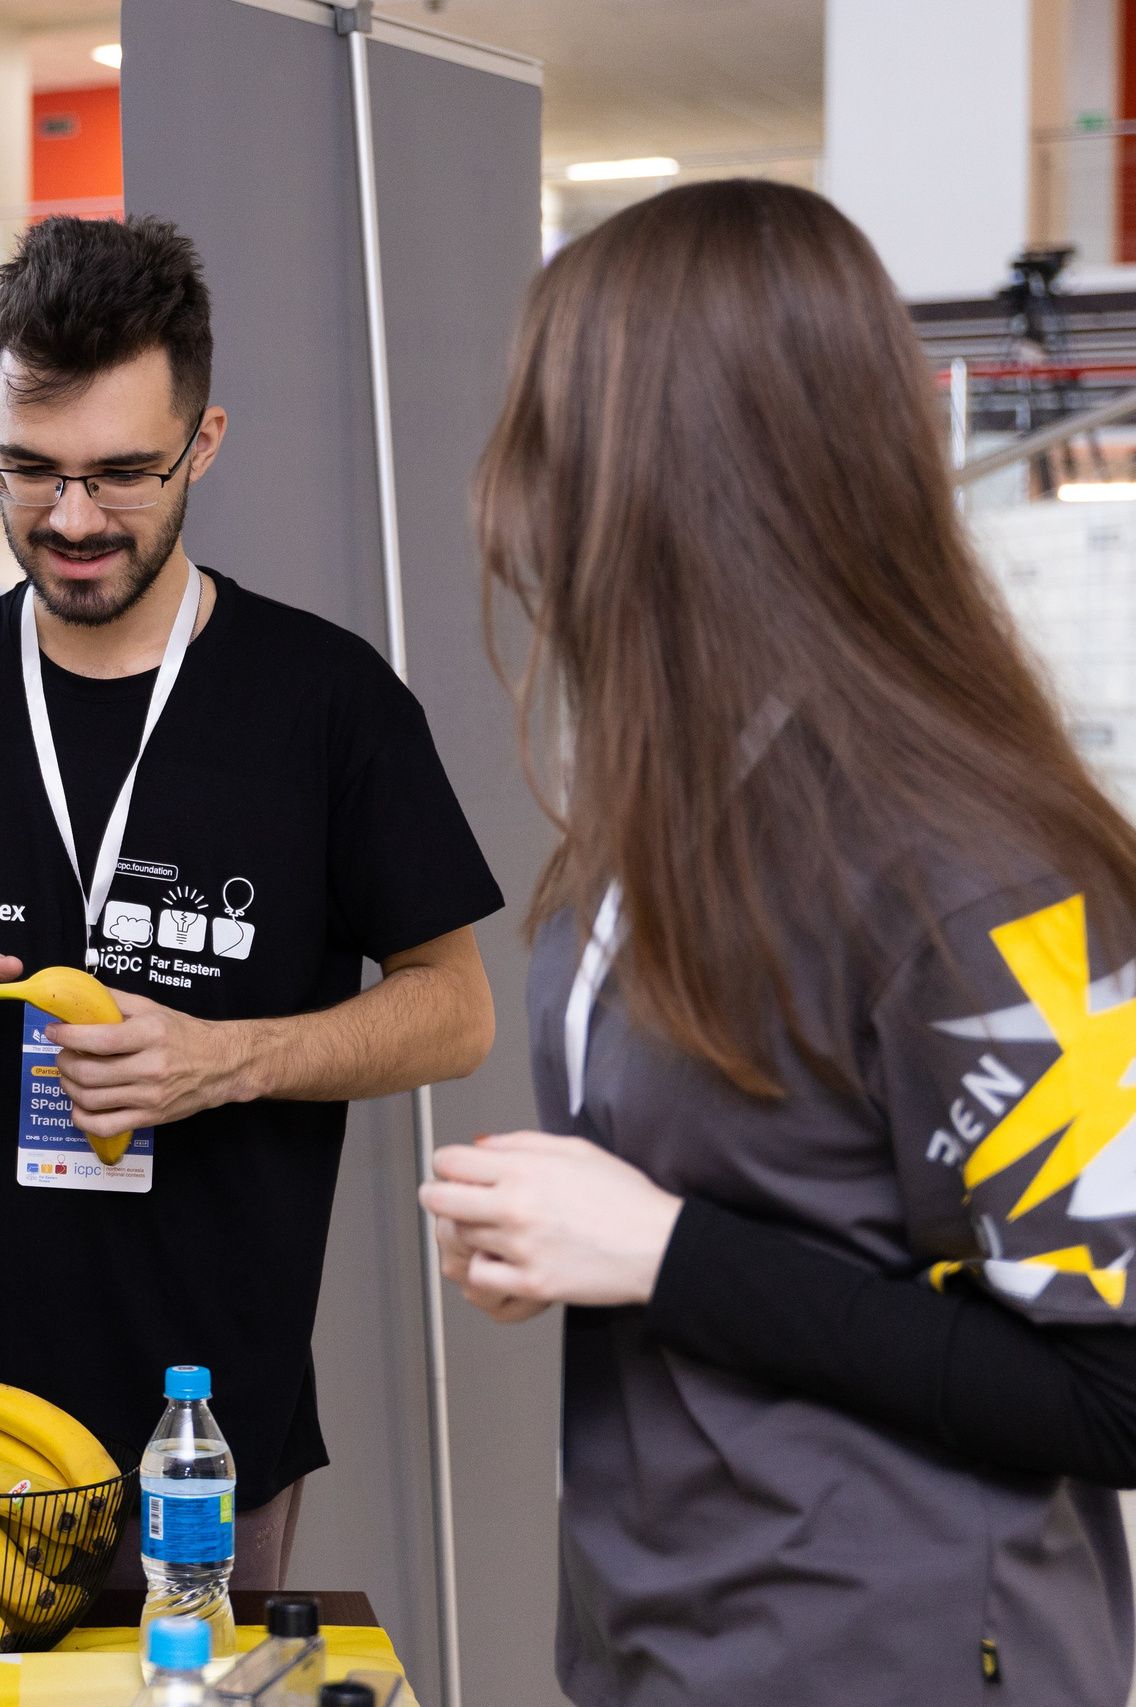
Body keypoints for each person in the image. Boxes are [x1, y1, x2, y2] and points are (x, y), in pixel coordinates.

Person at [420, 180, 1136, 1706]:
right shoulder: (674, 806)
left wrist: (666, 1253)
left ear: (673, 471)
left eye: (546, 436)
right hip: (666, 1623)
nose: (503, 496)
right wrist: (589, 1238)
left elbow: (1114, 1382)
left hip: (898, 1654)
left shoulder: (983, 870)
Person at [0, 216, 502, 1586]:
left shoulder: (326, 701)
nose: (71, 518)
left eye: (123, 471)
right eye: (32, 468)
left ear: (207, 439)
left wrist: (230, 1056)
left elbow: (455, 1009)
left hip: (190, 1430)